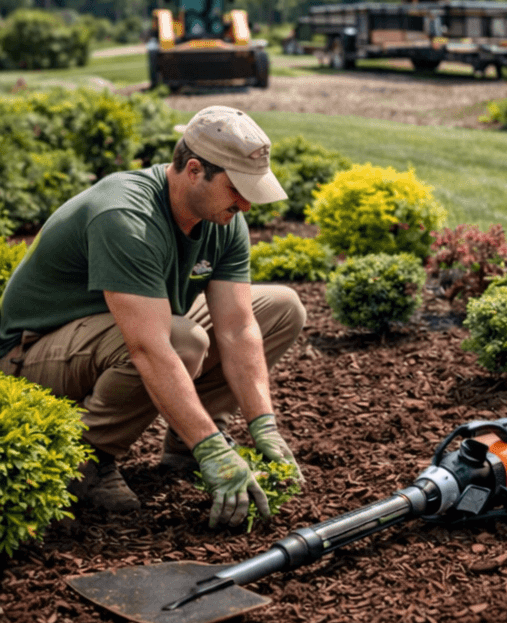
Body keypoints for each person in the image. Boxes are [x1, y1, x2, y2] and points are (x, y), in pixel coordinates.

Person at [0, 106, 308, 527]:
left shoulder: (222, 217)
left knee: (280, 308)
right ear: (195, 170)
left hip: (113, 332)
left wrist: (263, 424)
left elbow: (237, 328)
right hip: (30, 352)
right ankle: (85, 461)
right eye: (238, 188)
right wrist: (212, 447)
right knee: (183, 341)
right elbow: (150, 348)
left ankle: (192, 444)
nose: (248, 204)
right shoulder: (126, 216)